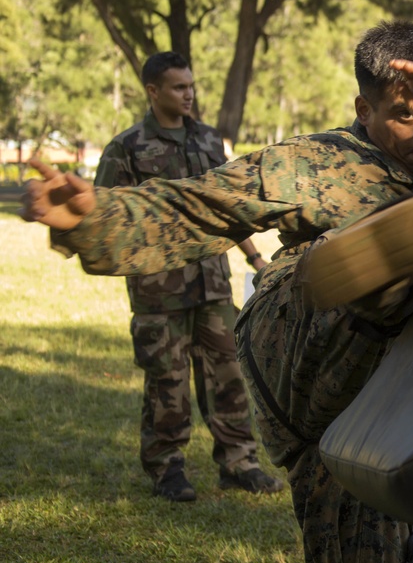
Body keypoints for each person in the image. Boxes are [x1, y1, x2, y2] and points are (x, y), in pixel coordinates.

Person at [20, 20, 413, 563]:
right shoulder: (311, 163)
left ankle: (391, 265)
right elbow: (196, 207)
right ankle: (372, 263)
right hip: (306, 375)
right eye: (402, 115)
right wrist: (96, 217)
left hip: (391, 400)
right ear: (363, 108)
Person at [92, 51, 280, 503]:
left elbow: (227, 210)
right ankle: (167, 468)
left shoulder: (210, 141)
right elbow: (102, 215)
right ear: (153, 91)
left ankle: (239, 462)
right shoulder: (127, 148)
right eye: (178, 87)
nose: (189, 93)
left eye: (191, 85)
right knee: (167, 380)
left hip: (213, 284)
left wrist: (256, 259)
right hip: (159, 290)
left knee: (228, 373)